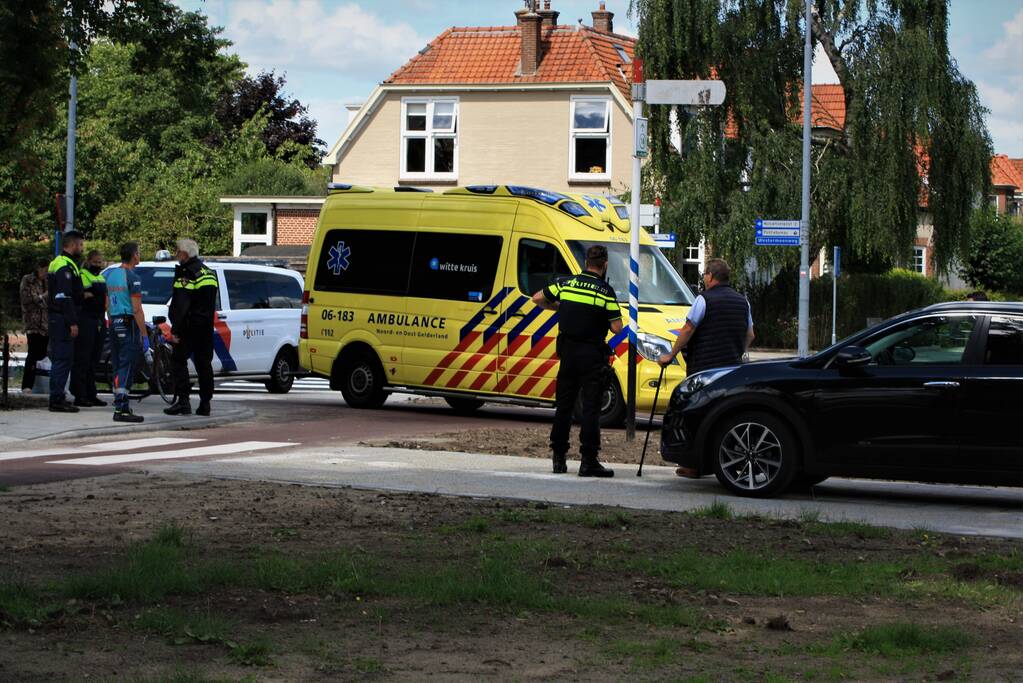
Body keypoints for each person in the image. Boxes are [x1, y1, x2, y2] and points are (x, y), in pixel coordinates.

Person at [532, 244, 623, 478]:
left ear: (585, 263)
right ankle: (588, 461)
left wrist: (561, 308)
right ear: (604, 265)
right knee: (591, 409)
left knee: (564, 407)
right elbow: (616, 327)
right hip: (592, 355)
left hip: (568, 353)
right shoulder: (605, 291)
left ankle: (558, 458)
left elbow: (537, 298)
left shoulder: (566, 283)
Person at [658, 258, 754, 375]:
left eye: (704, 274)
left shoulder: (704, 299)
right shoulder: (744, 302)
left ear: (710, 276)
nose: (704, 278)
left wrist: (671, 355)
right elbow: (750, 335)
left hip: (705, 370)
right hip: (731, 369)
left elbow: (688, 329)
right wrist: (738, 353)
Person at [165, 238, 218, 417]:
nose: (176, 254)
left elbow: (181, 305)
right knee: (204, 365)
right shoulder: (209, 272)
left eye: (178, 251)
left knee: (178, 362)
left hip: (188, 328)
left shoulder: (187, 274)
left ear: (185, 254)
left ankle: (184, 402)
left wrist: (175, 331)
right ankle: (205, 404)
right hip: (206, 328)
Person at [105, 242, 149, 423]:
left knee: (117, 365)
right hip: (128, 322)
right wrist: (144, 335)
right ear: (134, 255)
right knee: (127, 366)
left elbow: (106, 304)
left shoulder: (109, 274)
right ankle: (122, 409)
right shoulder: (133, 277)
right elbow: (137, 309)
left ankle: (119, 404)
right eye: (138, 253)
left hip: (114, 322)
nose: (139, 255)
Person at [47, 230, 86, 412]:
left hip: (60, 317)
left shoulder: (64, 263)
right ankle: (56, 399)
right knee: (62, 358)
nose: (82, 248)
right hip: (62, 318)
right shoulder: (64, 266)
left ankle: (58, 396)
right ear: (72, 245)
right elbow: (64, 296)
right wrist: (72, 322)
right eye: (80, 244)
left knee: (63, 358)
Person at [71, 249, 108, 407]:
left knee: (94, 359)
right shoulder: (83, 274)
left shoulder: (99, 276)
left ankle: (91, 394)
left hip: (99, 319)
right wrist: (94, 296)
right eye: (95, 262)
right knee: (83, 358)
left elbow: (101, 295)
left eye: (100, 262)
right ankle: (80, 394)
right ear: (89, 261)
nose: (98, 265)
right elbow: (85, 296)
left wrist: (95, 296)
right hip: (86, 318)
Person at [19, 260, 49, 394]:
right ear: (38, 268)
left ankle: (40, 384)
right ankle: (27, 385)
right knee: (33, 353)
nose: (46, 273)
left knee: (42, 354)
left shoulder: (47, 281)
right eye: (45, 270)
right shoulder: (28, 280)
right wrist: (43, 296)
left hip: (46, 324)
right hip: (33, 323)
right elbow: (26, 300)